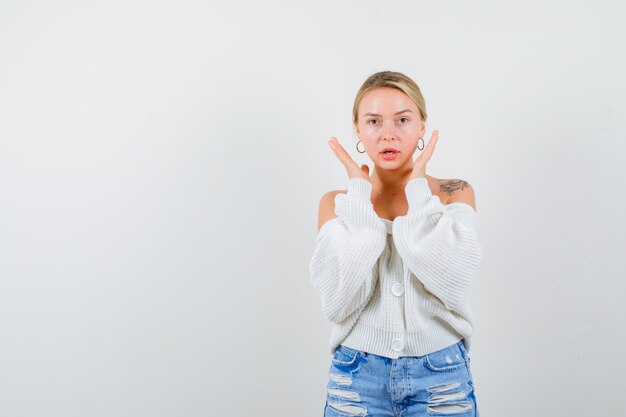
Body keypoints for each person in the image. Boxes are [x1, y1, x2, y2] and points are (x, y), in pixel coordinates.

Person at [309, 71, 484, 417]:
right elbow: (338, 303)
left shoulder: (454, 192)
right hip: (355, 380)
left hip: (441, 379)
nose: (388, 133)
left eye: (402, 119)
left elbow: (453, 281)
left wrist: (419, 190)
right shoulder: (338, 203)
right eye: (373, 121)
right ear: (358, 130)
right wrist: (360, 199)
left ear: (421, 126)